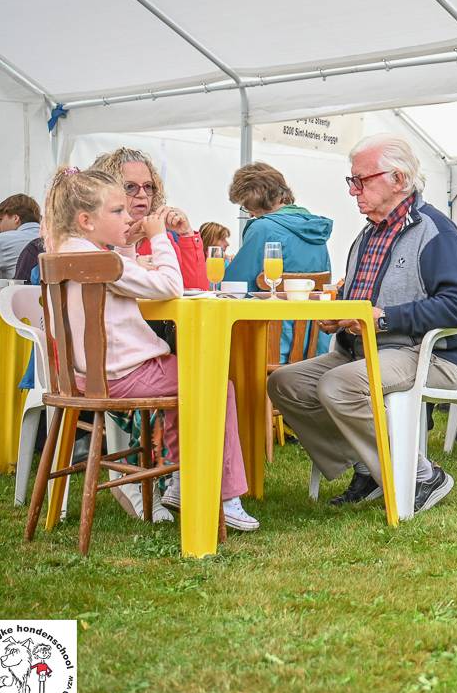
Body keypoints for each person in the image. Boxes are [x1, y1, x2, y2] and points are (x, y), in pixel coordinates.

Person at [267, 135, 457, 511]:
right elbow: (364, 300)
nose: (353, 190)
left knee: (339, 385)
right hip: (361, 350)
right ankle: (370, 467)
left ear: (398, 179)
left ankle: (420, 475)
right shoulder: (368, 233)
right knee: (285, 384)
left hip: (427, 354)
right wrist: (340, 315)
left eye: (361, 180)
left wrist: (384, 319)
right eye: (352, 181)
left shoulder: (436, 232)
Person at [42, 167, 257, 530]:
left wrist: (128, 241)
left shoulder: (67, 252)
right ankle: (225, 496)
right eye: (117, 211)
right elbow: (171, 285)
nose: (128, 215)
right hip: (128, 374)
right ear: (86, 220)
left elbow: (124, 272)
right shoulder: (103, 262)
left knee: (182, 381)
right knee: (218, 386)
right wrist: (158, 238)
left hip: (82, 379)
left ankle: (178, 481)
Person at [224, 162, 334, 359]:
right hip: (312, 346)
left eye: (245, 204)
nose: (247, 212)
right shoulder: (316, 229)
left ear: (254, 198)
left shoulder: (263, 228)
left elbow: (232, 287)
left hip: (271, 345)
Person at [89, 148, 209, 291]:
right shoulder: (93, 239)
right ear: (104, 191)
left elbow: (197, 292)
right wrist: (132, 265)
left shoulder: (160, 237)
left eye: (148, 186)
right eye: (130, 187)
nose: (142, 194)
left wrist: (187, 234)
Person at [0, 193, 42, 279]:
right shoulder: (52, 237)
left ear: (16, 218)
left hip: (18, 292)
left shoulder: (2, 240)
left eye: (0, 219)